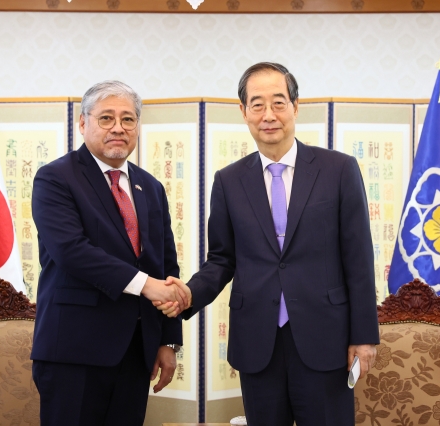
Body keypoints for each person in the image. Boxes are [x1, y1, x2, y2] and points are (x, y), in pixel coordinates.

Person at [157, 62, 380, 426]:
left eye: (278, 102)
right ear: (243, 112)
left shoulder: (339, 170)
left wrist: (364, 337)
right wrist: (187, 295)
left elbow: (358, 260)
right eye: (257, 104)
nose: (268, 115)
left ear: (295, 106)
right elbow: (221, 260)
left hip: (326, 338)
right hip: (258, 339)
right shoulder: (229, 181)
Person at [31, 80, 188, 426]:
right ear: (83, 123)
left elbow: (166, 263)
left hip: (136, 353)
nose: (118, 128)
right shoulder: (56, 178)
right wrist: (146, 285)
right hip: (74, 351)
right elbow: (72, 251)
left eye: (128, 119)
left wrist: (168, 342)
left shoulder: (150, 186)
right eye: (106, 118)